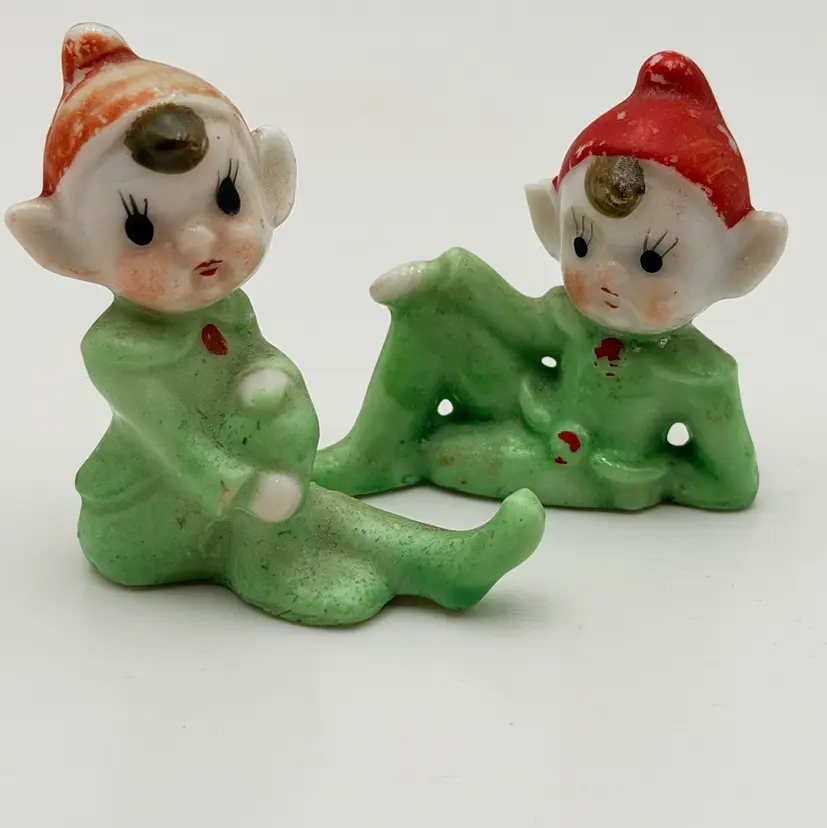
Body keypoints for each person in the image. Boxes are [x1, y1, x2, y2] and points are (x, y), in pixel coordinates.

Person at [5, 23, 545, 625]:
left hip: (242, 487)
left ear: (270, 183)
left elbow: (254, 359)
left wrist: (274, 381)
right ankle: (358, 564)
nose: (199, 242)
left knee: (298, 480)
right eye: (141, 229)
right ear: (64, 248)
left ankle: (433, 565)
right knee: (305, 505)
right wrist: (246, 488)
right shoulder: (117, 348)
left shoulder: (226, 308)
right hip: (143, 519)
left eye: (227, 200)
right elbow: (176, 444)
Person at [315, 51, 788, 512]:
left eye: (651, 260)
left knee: (440, 452)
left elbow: (732, 485)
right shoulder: (569, 316)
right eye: (582, 245)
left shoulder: (699, 375)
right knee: (429, 317)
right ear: (551, 221)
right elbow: (515, 323)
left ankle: (409, 453)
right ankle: (372, 453)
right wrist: (449, 278)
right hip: (534, 413)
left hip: (581, 470)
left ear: (744, 261)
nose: (607, 276)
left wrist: (654, 476)